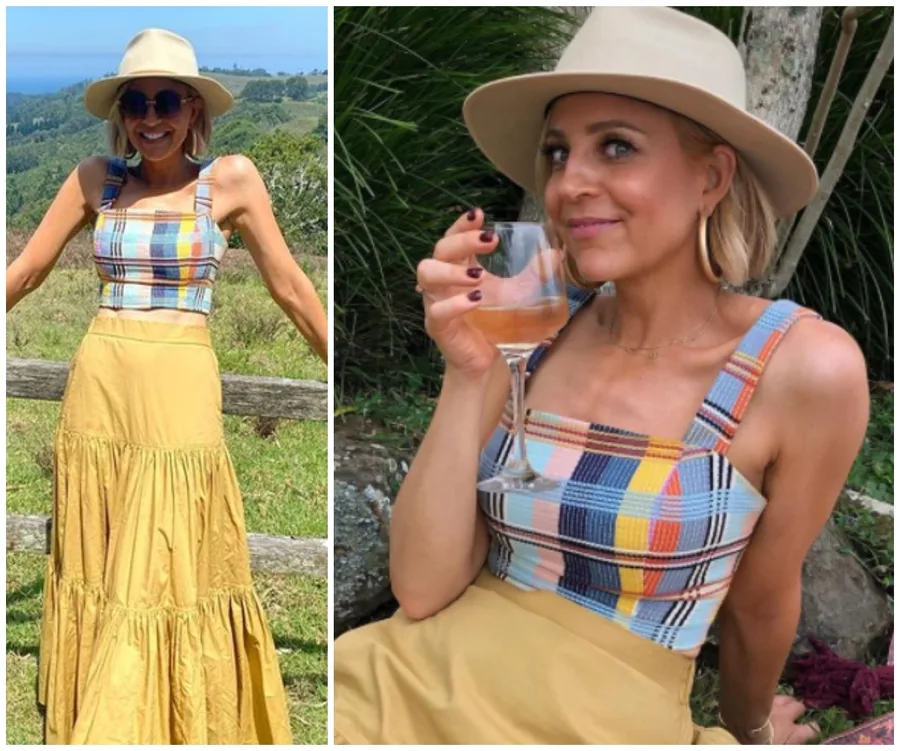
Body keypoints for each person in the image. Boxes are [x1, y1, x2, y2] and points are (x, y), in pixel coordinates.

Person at [334, 7, 869, 745]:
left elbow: (760, 598)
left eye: (615, 147)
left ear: (711, 175)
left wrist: (748, 728)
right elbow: (422, 589)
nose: (569, 182)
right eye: (557, 153)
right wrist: (468, 370)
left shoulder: (800, 369)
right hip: (395, 692)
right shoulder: (539, 324)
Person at [6, 28, 327, 744]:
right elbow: (24, 271)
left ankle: (161, 714)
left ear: (194, 111)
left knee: (169, 551)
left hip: (180, 388)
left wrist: (343, 360)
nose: (151, 116)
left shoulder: (232, 179)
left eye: (167, 100)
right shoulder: (97, 179)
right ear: (120, 114)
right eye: (137, 102)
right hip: (101, 387)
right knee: (105, 550)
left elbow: (292, 288)